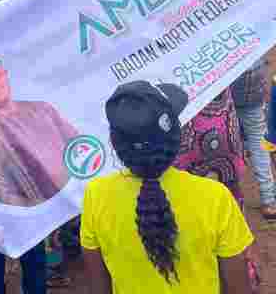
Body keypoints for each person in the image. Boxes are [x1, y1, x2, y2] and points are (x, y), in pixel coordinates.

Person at [81, 80, 254, 294]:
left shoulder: (95, 195)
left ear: (115, 144)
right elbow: (238, 288)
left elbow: (99, 287)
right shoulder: (215, 197)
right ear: (176, 137)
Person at [0, 49, 79, 207]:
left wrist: (82, 187)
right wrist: (46, 213)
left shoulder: (43, 110)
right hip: (53, 223)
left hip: (83, 196)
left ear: (6, 75)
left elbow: (80, 147)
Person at [232, 59, 276, 219]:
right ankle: (269, 200)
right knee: (258, 142)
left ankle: (231, 200)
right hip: (252, 83)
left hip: (223, 91)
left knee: (226, 145)